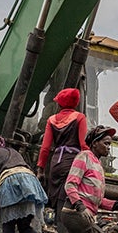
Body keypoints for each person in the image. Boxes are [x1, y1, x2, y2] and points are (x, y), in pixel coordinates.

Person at [39, 86, 91, 219]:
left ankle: (53, 222)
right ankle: (63, 226)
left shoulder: (51, 119)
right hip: (72, 162)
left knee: (54, 196)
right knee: (67, 196)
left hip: (56, 162)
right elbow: (83, 144)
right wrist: (92, 162)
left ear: (60, 103)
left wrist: (40, 169)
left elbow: (45, 148)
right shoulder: (80, 117)